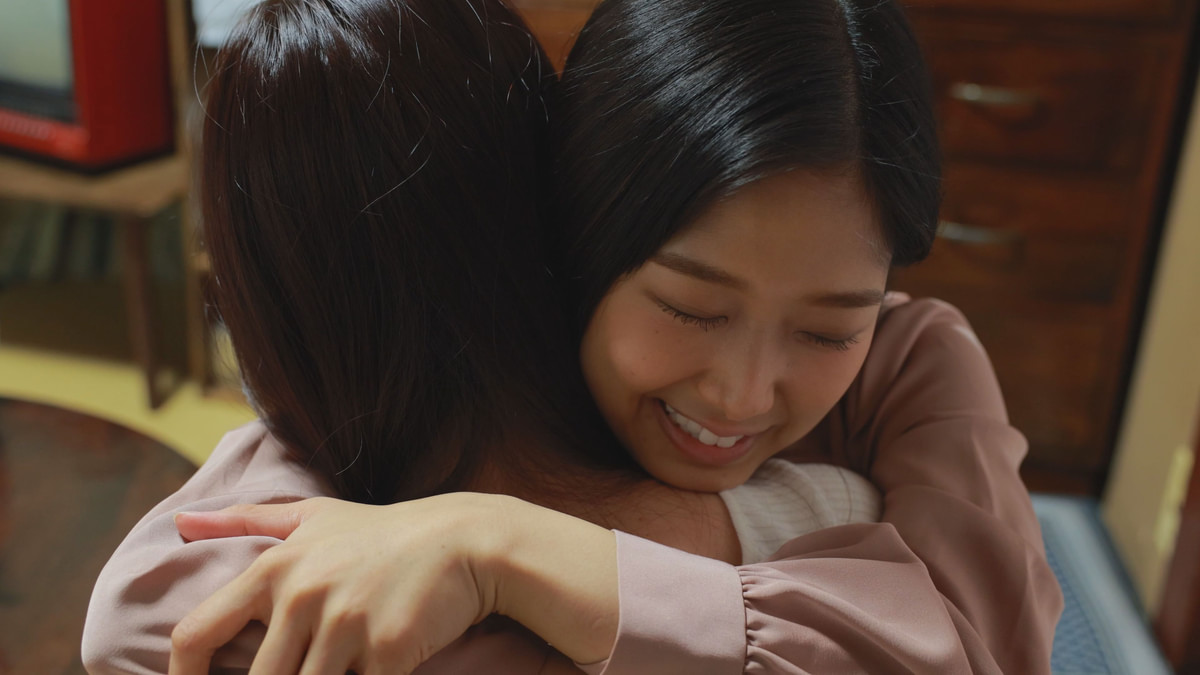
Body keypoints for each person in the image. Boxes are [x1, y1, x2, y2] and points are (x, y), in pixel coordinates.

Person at [84, 0, 1063, 672]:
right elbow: (148, 611)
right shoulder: (479, 346)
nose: (742, 392)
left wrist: (506, 544)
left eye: (828, 328)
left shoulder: (912, 362)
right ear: (567, 240)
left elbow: (990, 650)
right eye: (692, 308)